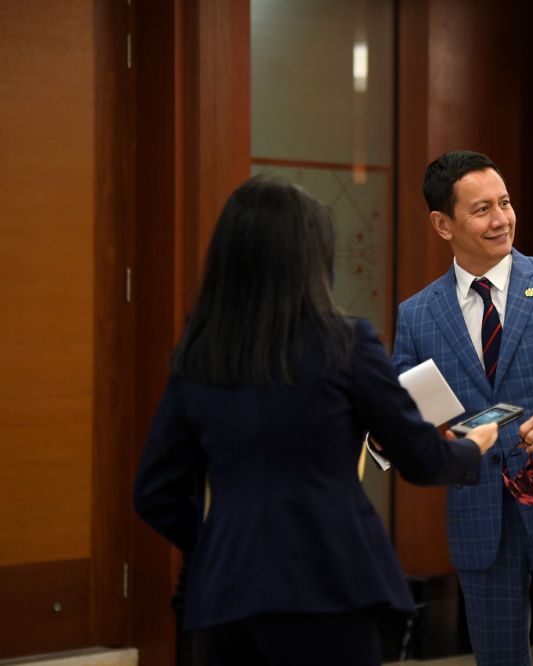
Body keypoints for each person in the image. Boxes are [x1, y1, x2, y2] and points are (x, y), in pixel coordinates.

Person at [132, 174, 498, 666]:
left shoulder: (199, 354)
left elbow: (154, 492)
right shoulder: (344, 342)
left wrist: (223, 538)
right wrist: (471, 448)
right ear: (310, 258)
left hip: (226, 593)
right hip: (329, 581)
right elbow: (419, 458)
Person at [374, 151, 533, 665]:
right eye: (482, 209)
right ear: (442, 224)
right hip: (479, 515)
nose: (501, 219)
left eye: (505, 203)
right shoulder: (418, 314)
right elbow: (406, 413)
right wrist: (391, 440)